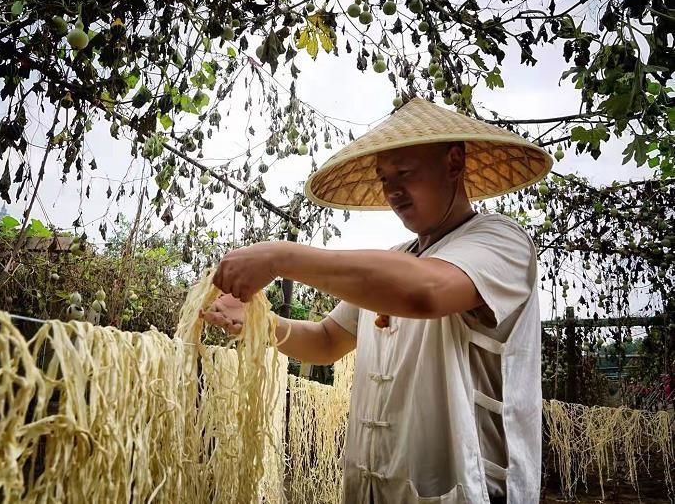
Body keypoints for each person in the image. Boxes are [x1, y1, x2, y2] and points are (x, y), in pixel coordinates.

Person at [201, 97, 552, 504]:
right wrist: (258, 322)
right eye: (385, 179)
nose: (393, 192)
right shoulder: (396, 262)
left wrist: (281, 256)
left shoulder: (500, 241)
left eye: (404, 173)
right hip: (379, 489)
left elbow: (427, 292)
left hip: (470, 493)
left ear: (454, 164)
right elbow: (327, 341)